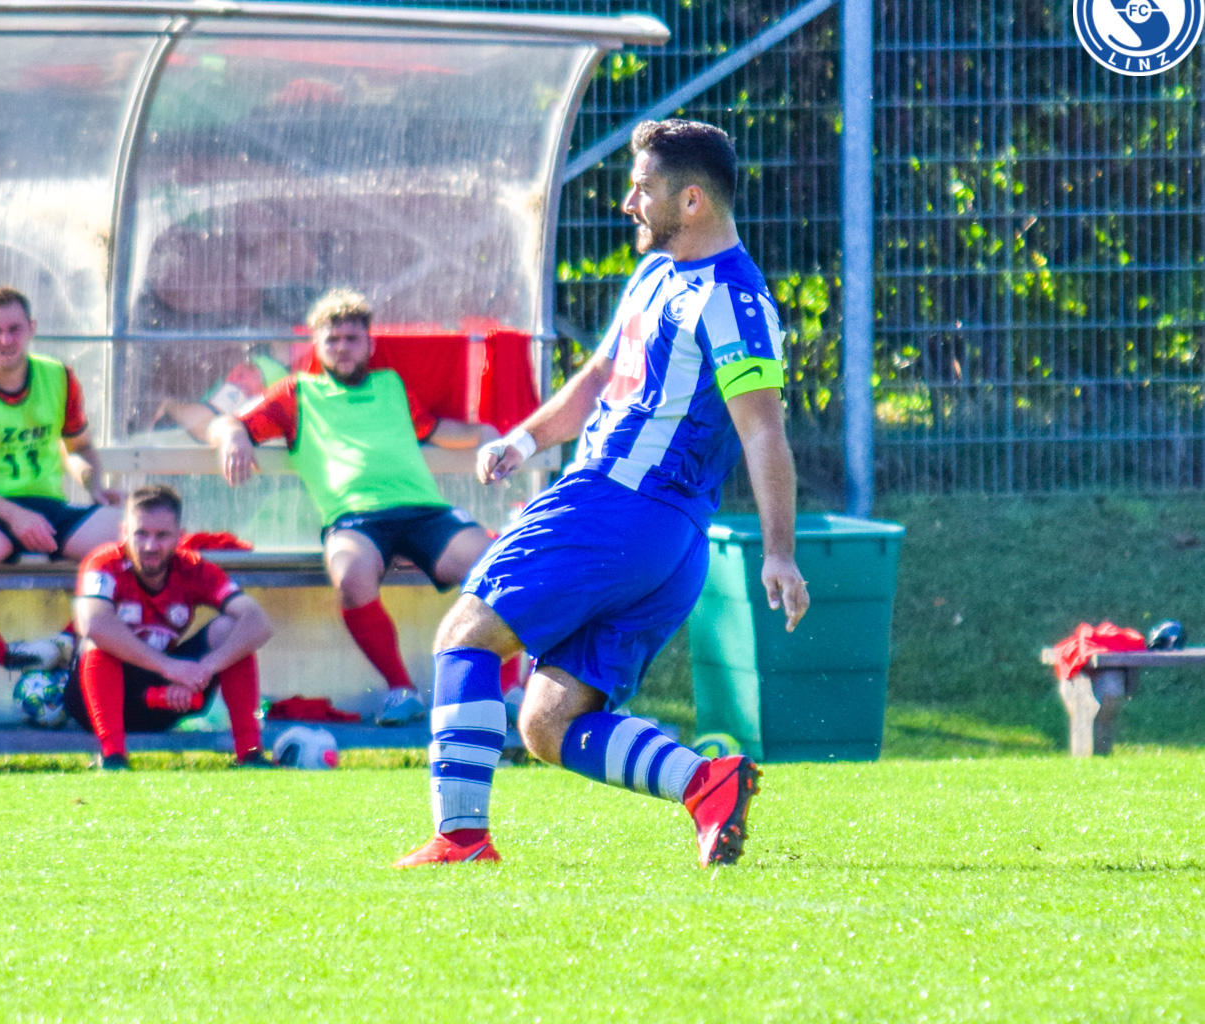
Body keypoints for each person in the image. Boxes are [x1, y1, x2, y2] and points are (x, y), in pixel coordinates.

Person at [395, 119, 811, 869]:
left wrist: (779, 553)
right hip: (666, 542)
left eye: (643, 188)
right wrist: (525, 441)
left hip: (614, 508)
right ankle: (706, 784)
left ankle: (461, 840)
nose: (628, 202)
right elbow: (598, 378)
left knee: (464, 635)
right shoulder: (657, 275)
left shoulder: (732, 300)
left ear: (691, 200)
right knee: (547, 722)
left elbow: (763, 432)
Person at [200, 289, 497, 726]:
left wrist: (486, 433)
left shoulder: (390, 384)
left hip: (424, 510)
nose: (342, 348)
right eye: (332, 340)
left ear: (370, 345)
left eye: (351, 339)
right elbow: (228, 421)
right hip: (355, 519)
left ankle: (501, 691)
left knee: (497, 565)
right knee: (351, 574)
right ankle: (402, 691)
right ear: (316, 346)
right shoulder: (297, 392)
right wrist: (232, 436)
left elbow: (432, 430)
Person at [0, 286, 122, 671]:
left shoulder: (59, 376)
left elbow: (79, 447)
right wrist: (15, 515)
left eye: (14, 329)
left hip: (49, 509)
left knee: (141, 539)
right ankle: (1, 653)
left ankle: (66, 641)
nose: (5, 340)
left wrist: (94, 484)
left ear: (32, 328)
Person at [67, 485, 274, 769]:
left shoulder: (193, 567)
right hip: (95, 702)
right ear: (124, 532)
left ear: (179, 536)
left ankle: (250, 754)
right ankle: (113, 758)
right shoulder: (105, 562)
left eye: (162, 535)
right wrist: (169, 667)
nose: (150, 546)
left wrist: (202, 670)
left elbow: (258, 622)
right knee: (98, 639)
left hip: (168, 696)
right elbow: (92, 622)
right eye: (141, 534)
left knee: (231, 631)